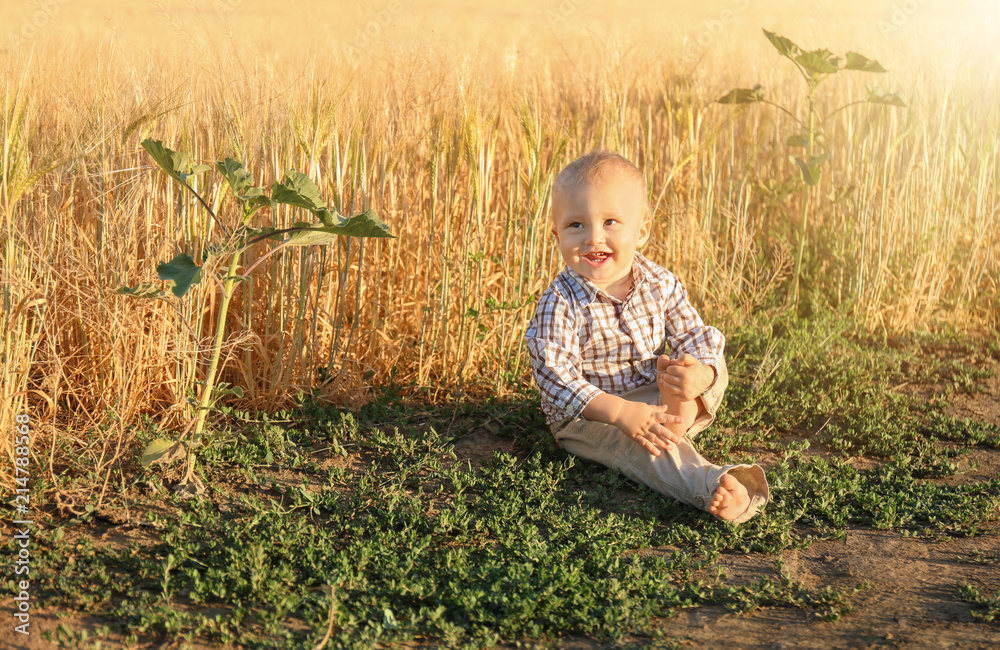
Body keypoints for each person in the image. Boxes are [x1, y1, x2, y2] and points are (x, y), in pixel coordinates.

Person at [524, 150, 768, 523]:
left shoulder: (659, 282)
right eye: (576, 225)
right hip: (591, 418)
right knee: (644, 452)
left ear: (641, 231)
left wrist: (698, 374)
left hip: (651, 395)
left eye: (610, 222)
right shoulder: (561, 302)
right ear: (556, 234)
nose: (594, 238)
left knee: (711, 357)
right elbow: (555, 376)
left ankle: (677, 412)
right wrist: (620, 412)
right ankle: (710, 482)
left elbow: (694, 333)